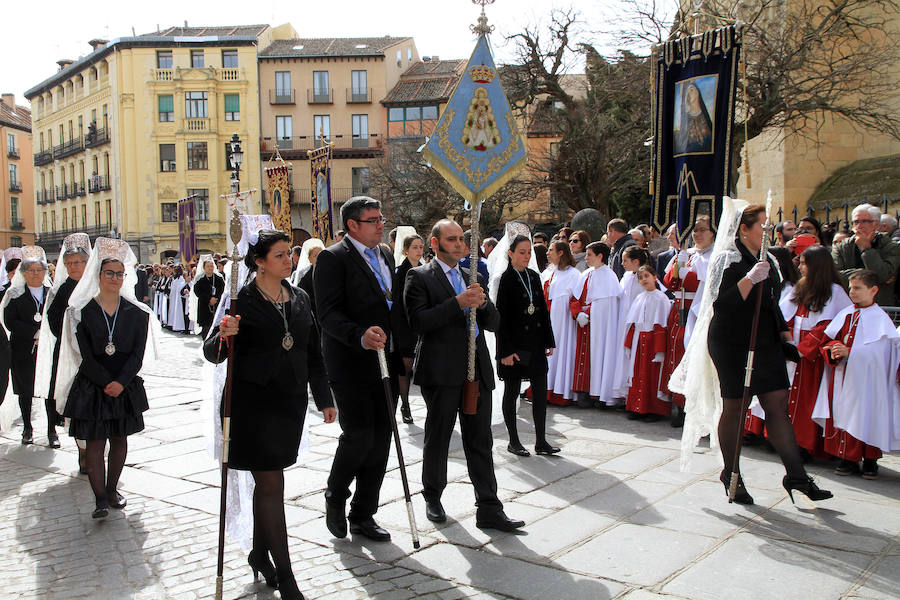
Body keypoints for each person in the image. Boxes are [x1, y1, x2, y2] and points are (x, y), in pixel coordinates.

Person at [204, 229, 334, 599]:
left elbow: (312, 352)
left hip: (288, 404)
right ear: (259, 262)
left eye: (288, 254)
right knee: (271, 485)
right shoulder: (240, 299)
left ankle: (260, 554)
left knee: (270, 485)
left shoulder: (301, 297)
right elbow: (212, 353)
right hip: (251, 404)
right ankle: (288, 577)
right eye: (279, 255)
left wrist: (324, 397)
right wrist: (225, 335)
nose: (287, 260)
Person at [404, 218, 524, 531]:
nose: (460, 244)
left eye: (462, 239)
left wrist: (481, 303)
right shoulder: (419, 277)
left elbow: (494, 323)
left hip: (475, 372)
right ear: (435, 243)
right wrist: (457, 303)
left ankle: (488, 507)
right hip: (442, 372)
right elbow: (419, 322)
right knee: (438, 437)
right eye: (452, 239)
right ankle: (432, 495)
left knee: (480, 440)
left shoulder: (472, 275)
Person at [708, 205, 831, 505]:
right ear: (743, 230)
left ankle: (797, 476)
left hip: (764, 338)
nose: (766, 230)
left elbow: (772, 303)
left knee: (777, 404)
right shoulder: (727, 258)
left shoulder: (771, 258)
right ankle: (731, 474)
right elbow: (722, 305)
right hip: (733, 340)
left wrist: (785, 337)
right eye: (760, 225)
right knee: (735, 407)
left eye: (767, 225)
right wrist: (749, 278)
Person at [314, 196, 398, 542]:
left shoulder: (387, 255)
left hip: (385, 359)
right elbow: (328, 314)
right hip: (350, 361)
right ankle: (336, 494)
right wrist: (358, 335)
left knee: (381, 439)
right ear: (352, 225)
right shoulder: (334, 259)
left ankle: (364, 513)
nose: (381, 224)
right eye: (372, 219)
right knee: (359, 435)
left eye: (381, 218)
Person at [58, 238, 157, 520]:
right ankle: (99, 498)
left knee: (119, 439)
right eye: (108, 273)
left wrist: (121, 382)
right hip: (93, 385)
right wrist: (105, 382)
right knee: (95, 442)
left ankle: (113, 489)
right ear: (98, 276)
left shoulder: (137, 314)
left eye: (119, 273)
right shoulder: (82, 312)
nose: (114, 278)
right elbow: (84, 356)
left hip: (123, 385)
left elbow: (137, 355)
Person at [813, 270, 900, 480]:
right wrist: (834, 348)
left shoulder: (881, 319)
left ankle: (870, 460)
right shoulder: (845, 314)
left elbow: (882, 355)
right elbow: (829, 340)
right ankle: (847, 458)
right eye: (850, 288)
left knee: (868, 414)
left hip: (869, 381)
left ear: (874, 290)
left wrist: (851, 352)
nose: (852, 292)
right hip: (843, 376)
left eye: (858, 288)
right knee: (843, 414)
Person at [778, 246, 851, 458]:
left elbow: (828, 325)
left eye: (803, 263)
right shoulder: (800, 286)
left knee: (807, 400)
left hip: (812, 356)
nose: (799, 267)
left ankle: (804, 445)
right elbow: (787, 316)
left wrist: (802, 349)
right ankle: (787, 442)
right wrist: (787, 341)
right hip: (795, 347)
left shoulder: (835, 292)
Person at [495, 234, 557, 456]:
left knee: (540, 392)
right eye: (521, 252)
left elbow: (542, 310)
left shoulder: (533, 276)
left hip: (536, 343)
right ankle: (513, 440)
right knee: (511, 392)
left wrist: (549, 340)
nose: (526, 256)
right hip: (515, 346)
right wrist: (505, 351)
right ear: (510, 253)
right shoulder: (506, 279)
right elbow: (501, 319)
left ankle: (541, 441)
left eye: (529, 252)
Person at [36, 233, 91, 457]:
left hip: (93, 353)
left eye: (77, 262)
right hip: (67, 352)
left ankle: (90, 450)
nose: (72, 267)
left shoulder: (94, 286)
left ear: (87, 263)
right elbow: (53, 318)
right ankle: (79, 450)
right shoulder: (60, 291)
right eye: (68, 263)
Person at [661, 217, 715, 426]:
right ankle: (678, 402)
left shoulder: (715, 256)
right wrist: (678, 264)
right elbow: (670, 282)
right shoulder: (688, 254)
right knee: (676, 354)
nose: (696, 234)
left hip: (699, 310)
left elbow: (709, 283)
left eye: (702, 230)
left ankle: (695, 406)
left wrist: (689, 276)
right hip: (679, 309)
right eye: (694, 230)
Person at [2, 246, 51, 445]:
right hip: (23, 348)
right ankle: (27, 429)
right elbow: (9, 321)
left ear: (45, 272)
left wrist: (45, 333)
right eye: (31, 270)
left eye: (39, 270)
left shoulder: (51, 293)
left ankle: (51, 431)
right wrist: (33, 332)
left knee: (48, 390)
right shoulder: (15, 294)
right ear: (23, 273)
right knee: (25, 389)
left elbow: (58, 317)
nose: (35, 274)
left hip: (46, 349)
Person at [574, 242, 622, 407]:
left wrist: (588, 313)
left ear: (600, 256)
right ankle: (584, 391)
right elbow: (575, 297)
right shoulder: (586, 274)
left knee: (601, 355)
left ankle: (601, 394)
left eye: (589, 255)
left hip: (600, 327)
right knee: (584, 357)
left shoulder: (609, 277)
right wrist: (578, 313)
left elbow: (605, 306)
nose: (586, 258)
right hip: (584, 324)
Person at [622, 265, 671, 421]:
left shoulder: (661, 298)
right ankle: (636, 407)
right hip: (639, 339)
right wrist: (629, 343)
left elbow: (661, 323)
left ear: (655, 277)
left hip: (651, 340)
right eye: (641, 277)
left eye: (646, 276)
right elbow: (632, 322)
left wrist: (659, 349)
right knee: (637, 373)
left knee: (651, 375)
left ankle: (653, 410)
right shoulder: (639, 297)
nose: (643, 280)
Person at [832, 203, 900, 306]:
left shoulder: (891, 247)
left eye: (865, 221)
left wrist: (866, 249)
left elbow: (883, 276)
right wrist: (865, 274)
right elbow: (833, 275)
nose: (859, 226)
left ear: (876, 224)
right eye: (856, 222)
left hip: (880, 307)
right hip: (847, 306)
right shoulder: (841, 247)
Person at [542, 240, 581, 405]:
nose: (547, 253)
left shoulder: (573, 274)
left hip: (563, 322)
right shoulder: (549, 272)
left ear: (561, 253)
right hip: (548, 319)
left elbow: (576, 297)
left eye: (551, 250)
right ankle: (545, 388)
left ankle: (559, 391)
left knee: (560, 352)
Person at [393, 229, 424, 424]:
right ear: (405, 251)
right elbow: (397, 304)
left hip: (422, 326)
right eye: (415, 247)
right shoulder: (399, 272)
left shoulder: (426, 269)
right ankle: (405, 404)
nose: (419, 251)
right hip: (405, 327)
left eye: (421, 247)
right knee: (404, 368)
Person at [290, 238, 325, 321]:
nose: (319, 257)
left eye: (321, 254)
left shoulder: (332, 272)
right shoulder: (305, 278)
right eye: (315, 255)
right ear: (309, 259)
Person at [191, 256, 225, 339]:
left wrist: (215, 298)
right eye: (208, 266)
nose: (210, 268)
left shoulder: (219, 279)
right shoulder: (200, 280)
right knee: (206, 331)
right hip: (205, 308)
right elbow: (197, 292)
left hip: (216, 307)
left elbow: (222, 291)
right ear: (204, 268)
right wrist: (208, 299)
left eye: (211, 266)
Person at [167, 265, 189, 333]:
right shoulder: (175, 278)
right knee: (173, 311)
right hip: (174, 297)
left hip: (179, 298)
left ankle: (179, 326)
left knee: (178, 312)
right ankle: (173, 324)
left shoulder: (181, 279)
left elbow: (180, 288)